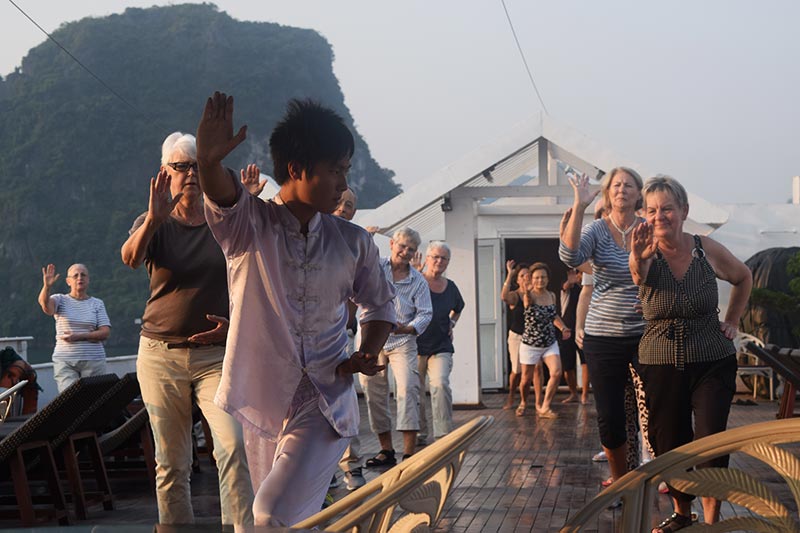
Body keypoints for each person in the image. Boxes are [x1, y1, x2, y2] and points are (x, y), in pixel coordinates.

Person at [195, 93, 396, 526]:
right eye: (335, 170)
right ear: (296, 170)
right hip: (261, 398)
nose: (343, 183)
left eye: (344, 170)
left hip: (326, 397)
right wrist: (207, 164)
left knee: (269, 514)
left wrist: (369, 350)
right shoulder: (249, 226)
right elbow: (224, 194)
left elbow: (379, 305)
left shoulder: (353, 241)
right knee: (289, 520)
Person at [120, 131, 254, 526]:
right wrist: (154, 220)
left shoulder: (224, 220)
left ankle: (241, 527)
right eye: (181, 167)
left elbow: (253, 268)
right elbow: (130, 258)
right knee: (172, 460)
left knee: (233, 445)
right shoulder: (153, 221)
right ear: (165, 173)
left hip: (216, 357)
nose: (190, 173)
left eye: (197, 165)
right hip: (161, 356)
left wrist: (248, 202)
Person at [630, 175, 752, 531]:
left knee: (712, 440)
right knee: (670, 442)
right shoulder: (644, 252)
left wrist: (732, 320)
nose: (660, 216)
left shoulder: (705, 249)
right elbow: (639, 274)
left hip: (711, 359)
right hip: (660, 361)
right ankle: (683, 514)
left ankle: (712, 521)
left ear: (684, 210)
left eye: (667, 208)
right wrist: (637, 256)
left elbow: (743, 276)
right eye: (652, 210)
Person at [559, 167, 646, 484]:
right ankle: (621, 481)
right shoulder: (596, 229)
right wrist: (579, 206)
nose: (622, 189)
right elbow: (570, 255)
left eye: (629, 185)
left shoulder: (648, 228)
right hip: (603, 337)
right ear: (608, 193)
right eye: (616, 185)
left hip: (645, 334)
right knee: (610, 416)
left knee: (655, 409)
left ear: (639, 193)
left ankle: (656, 473)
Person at [362, 227, 432, 466]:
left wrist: (408, 327)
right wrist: (367, 236)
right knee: (374, 393)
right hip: (372, 339)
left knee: (408, 390)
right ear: (392, 244)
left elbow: (425, 313)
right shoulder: (376, 266)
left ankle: (409, 453)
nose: (405, 252)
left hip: (402, 341)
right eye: (402, 246)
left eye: (411, 249)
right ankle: (386, 450)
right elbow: (359, 259)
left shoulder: (418, 280)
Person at [331, 187, 367, 491]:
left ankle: (350, 464)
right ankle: (321, 471)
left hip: (340, 334)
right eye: (341, 202)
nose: (344, 208)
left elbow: (366, 291)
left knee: (344, 398)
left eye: (350, 205)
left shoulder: (355, 243)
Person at [416, 241, 465, 444]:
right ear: (427, 259)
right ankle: (418, 432)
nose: (439, 261)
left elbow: (459, 307)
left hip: (441, 346)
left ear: (448, 262)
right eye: (435, 256)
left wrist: (451, 323)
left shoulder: (451, 287)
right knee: (415, 390)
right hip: (415, 346)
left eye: (443, 258)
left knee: (440, 384)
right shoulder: (415, 281)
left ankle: (444, 434)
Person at [38, 263, 111, 392]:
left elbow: (105, 332)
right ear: (68, 281)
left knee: (94, 401)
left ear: (88, 280)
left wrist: (79, 336)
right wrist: (47, 287)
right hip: (65, 361)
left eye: (83, 275)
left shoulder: (97, 304)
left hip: (94, 360)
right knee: (70, 399)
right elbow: (46, 307)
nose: (79, 278)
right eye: (75, 275)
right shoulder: (60, 299)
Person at [517, 262, 570, 418]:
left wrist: (563, 328)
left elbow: (553, 316)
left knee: (556, 372)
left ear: (547, 279)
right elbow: (527, 302)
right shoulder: (530, 296)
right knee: (526, 380)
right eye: (537, 278)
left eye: (543, 277)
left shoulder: (551, 295)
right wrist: (526, 291)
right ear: (532, 280)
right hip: (530, 344)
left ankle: (544, 407)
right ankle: (523, 402)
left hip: (549, 342)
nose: (540, 280)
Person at [501, 261, 543, 410]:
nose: (526, 277)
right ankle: (512, 396)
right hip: (517, 336)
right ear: (517, 279)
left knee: (537, 368)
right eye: (522, 275)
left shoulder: (536, 293)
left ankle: (539, 402)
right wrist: (509, 274)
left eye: (528, 275)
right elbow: (504, 297)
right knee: (517, 371)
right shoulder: (515, 296)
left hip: (533, 336)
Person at [559, 268, 583, 403]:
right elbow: (565, 286)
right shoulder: (567, 288)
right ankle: (573, 393)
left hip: (583, 328)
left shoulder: (587, 288)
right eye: (579, 274)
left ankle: (585, 394)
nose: (579, 276)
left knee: (585, 361)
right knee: (568, 364)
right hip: (567, 329)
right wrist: (570, 281)